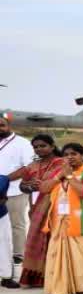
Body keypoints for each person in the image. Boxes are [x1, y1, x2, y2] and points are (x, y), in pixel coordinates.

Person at [42, 143, 83, 294]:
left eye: (74, 154)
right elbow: (44, 189)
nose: (69, 157)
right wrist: (59, 176)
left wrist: (69, 176)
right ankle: (61, 286)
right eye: (66, 154)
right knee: (58, 253)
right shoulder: (59, 173)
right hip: (60, 220)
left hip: (82, 219)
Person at [14, 134, 64, 288]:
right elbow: (22, 186)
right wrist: (31, 186)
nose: (39, 149)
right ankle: (38, 276)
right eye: (36, 147)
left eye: (43, 146)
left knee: (55, 240)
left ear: (52, 146)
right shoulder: (32, 166)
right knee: (37, 240)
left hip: (57, 208)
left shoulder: (61, 163)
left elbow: (67, 182)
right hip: (37, 209)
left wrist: (47, 185)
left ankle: (57, 275)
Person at [0, 114, 36, 266]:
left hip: (14, 190)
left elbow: (28, 166)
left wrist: (5, 180)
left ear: (9, 126)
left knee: (16, 223)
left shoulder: (22, 143)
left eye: (2, 125)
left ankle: (17, 254)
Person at [0, 173, 14, 288]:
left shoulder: (2, 179)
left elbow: (3, 181)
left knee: (4, 246)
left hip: (1, 216)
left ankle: (6, 277)